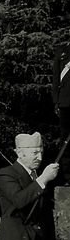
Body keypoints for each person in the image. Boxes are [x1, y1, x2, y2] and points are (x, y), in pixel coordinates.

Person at [52, 44, 70, 183]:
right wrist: (56, 102)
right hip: (65, 103)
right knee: (66, 142)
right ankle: (68, 177)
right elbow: (56, 78)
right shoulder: (62, 51)